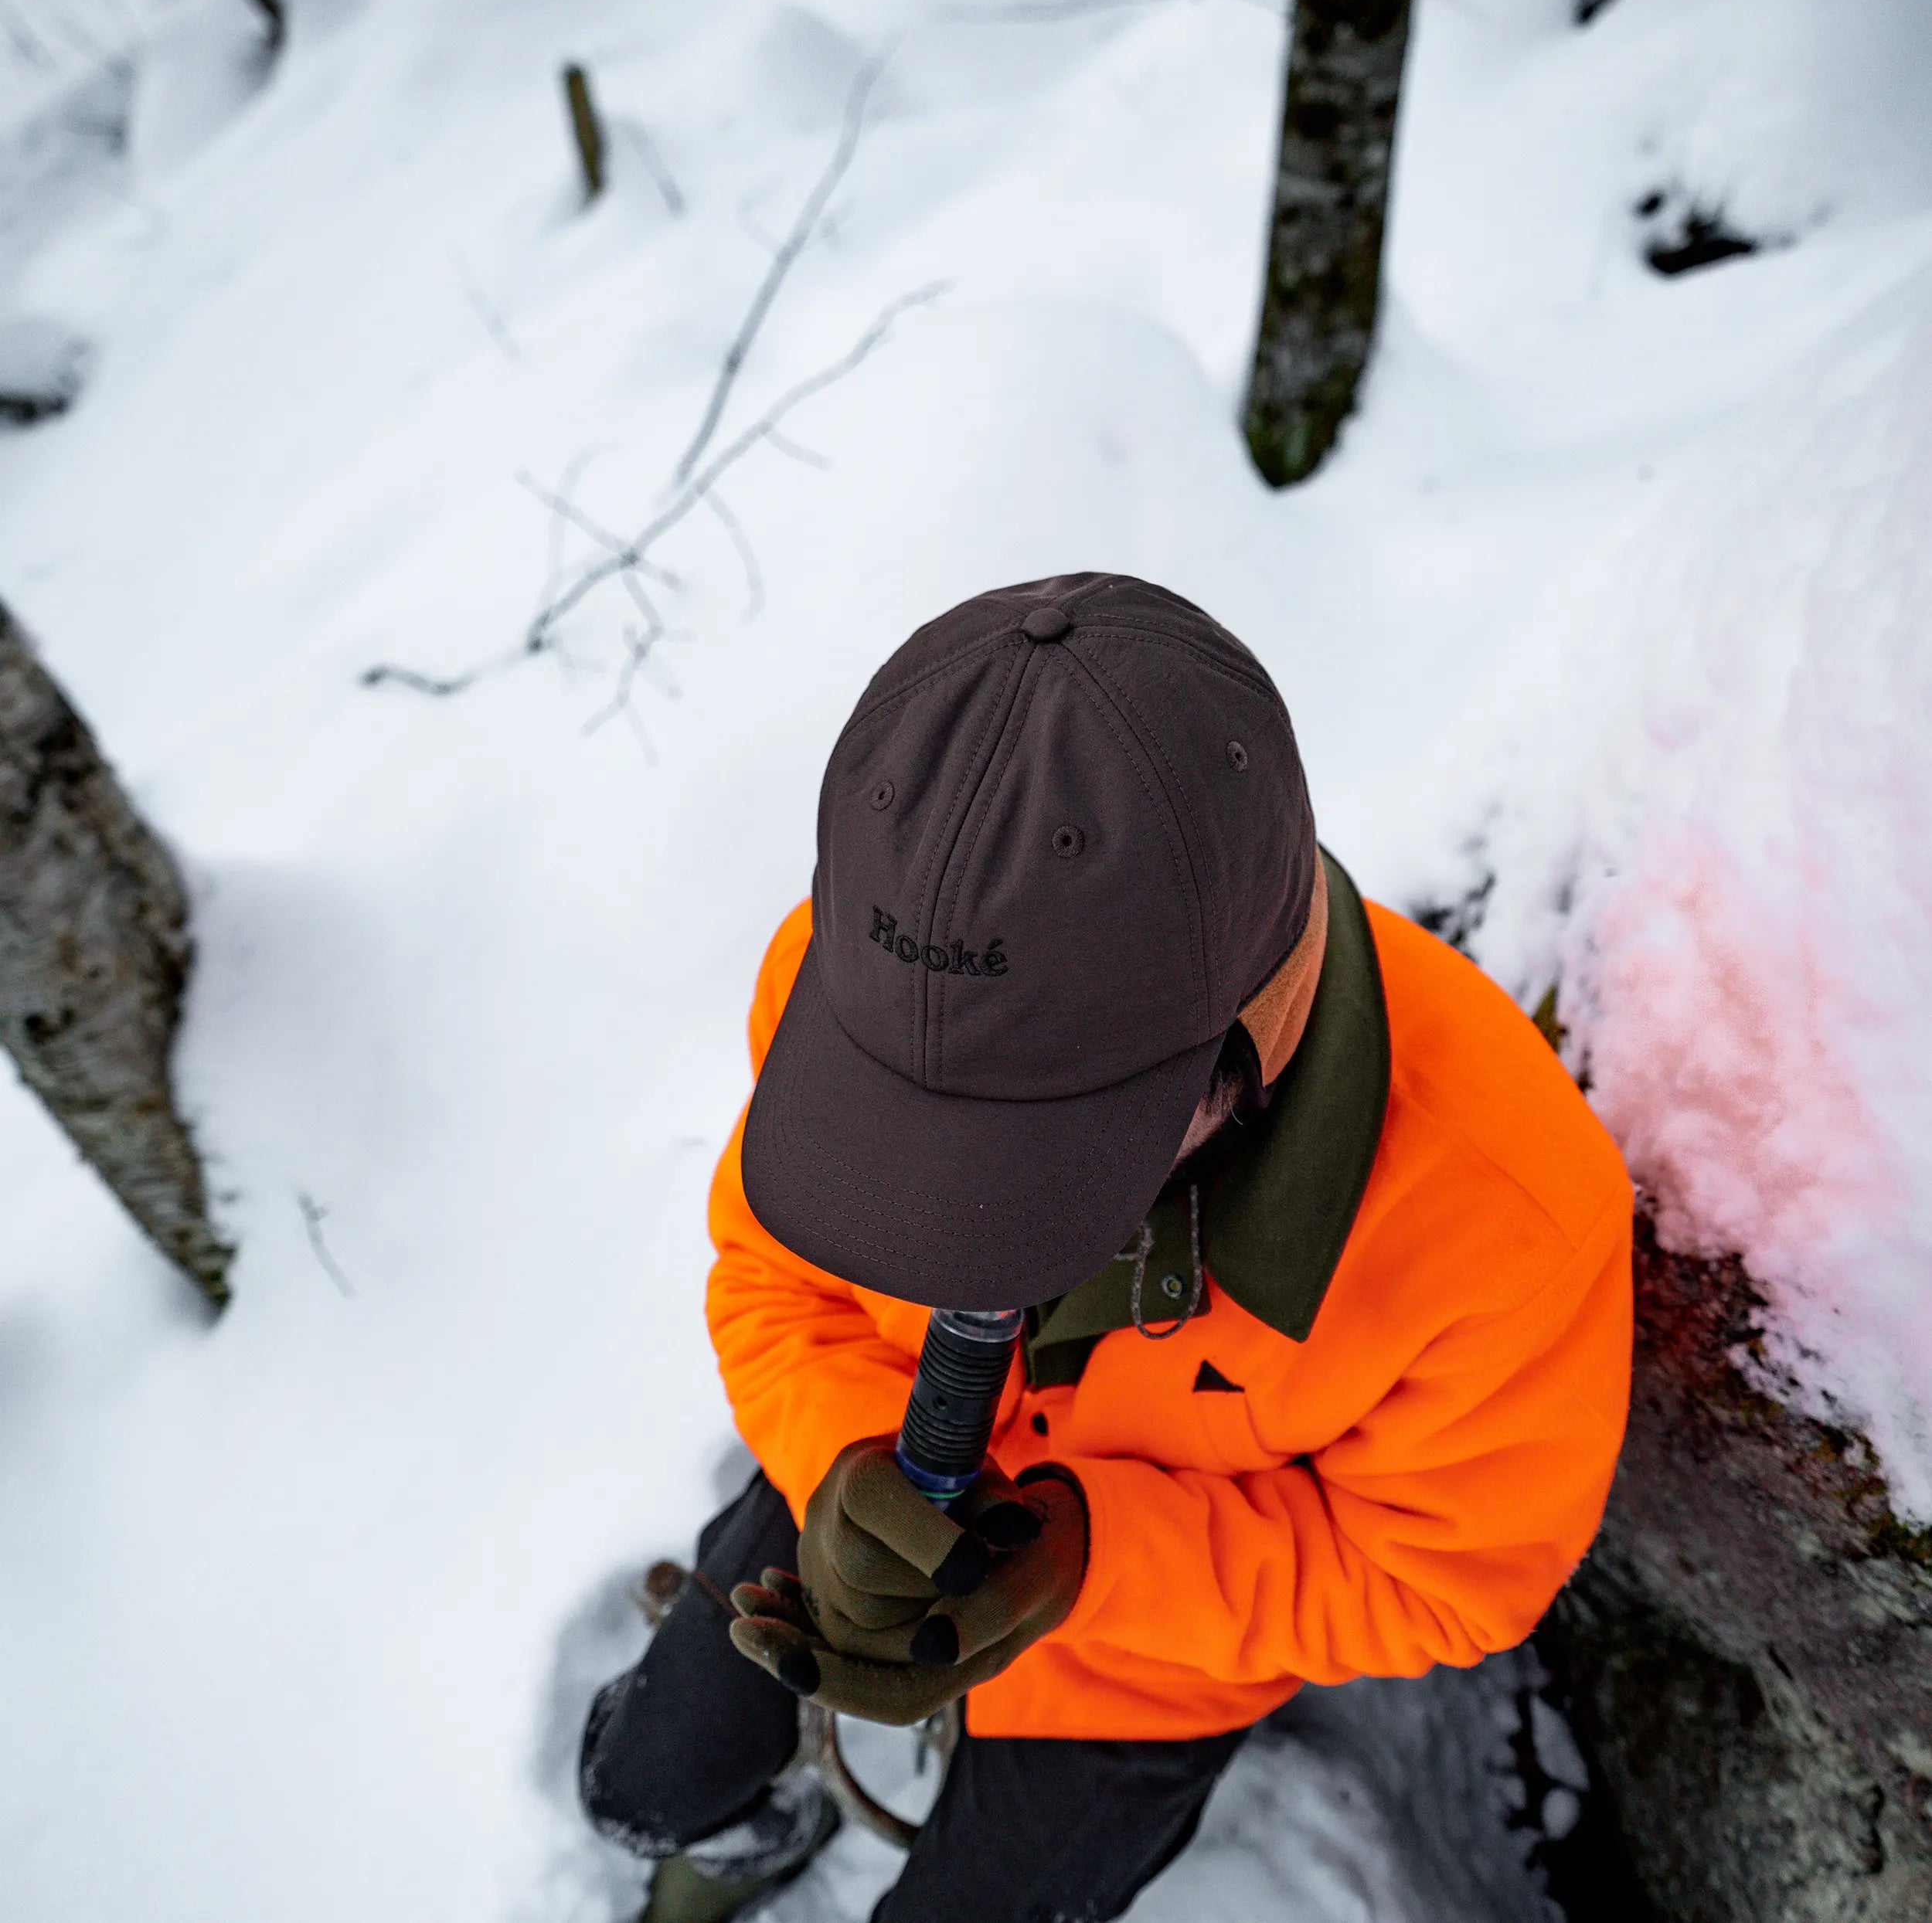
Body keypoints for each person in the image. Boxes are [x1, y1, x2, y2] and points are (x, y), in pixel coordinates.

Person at [579, 573, 1632, 1922]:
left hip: (1155, 1651)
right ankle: (746, 1831)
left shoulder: (1506, 1222)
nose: (975, 1221)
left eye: (1048, 1147)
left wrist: (1091, 1556)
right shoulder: (859, 990)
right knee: (638, 1787)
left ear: (1258, 1020)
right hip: (853, 1499)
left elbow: (1439, 1574)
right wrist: (838, 1458)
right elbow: (774, 1275)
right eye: (922, 1126)